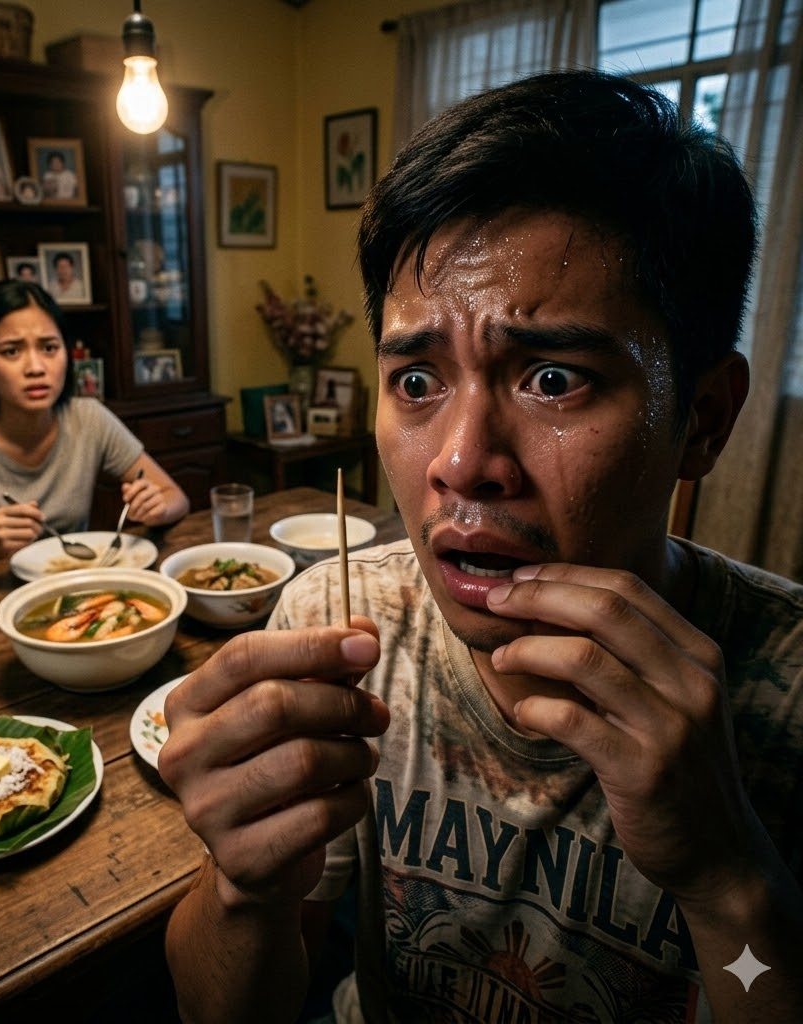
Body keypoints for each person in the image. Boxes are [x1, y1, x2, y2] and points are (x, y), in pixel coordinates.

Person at [158, 71, 803, 1023]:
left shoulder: (788, 691)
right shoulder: (341, 632)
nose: (461, 464)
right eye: (417, 381)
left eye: (552, 377)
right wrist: (244, 891)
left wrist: (725, 884)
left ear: (703, 418)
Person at [0, 279, 190, 581]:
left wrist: (157, 507)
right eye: (11, 351)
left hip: (80, 587)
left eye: (48, 347)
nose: (35, 367)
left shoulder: (89, 418)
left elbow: (176, 498)